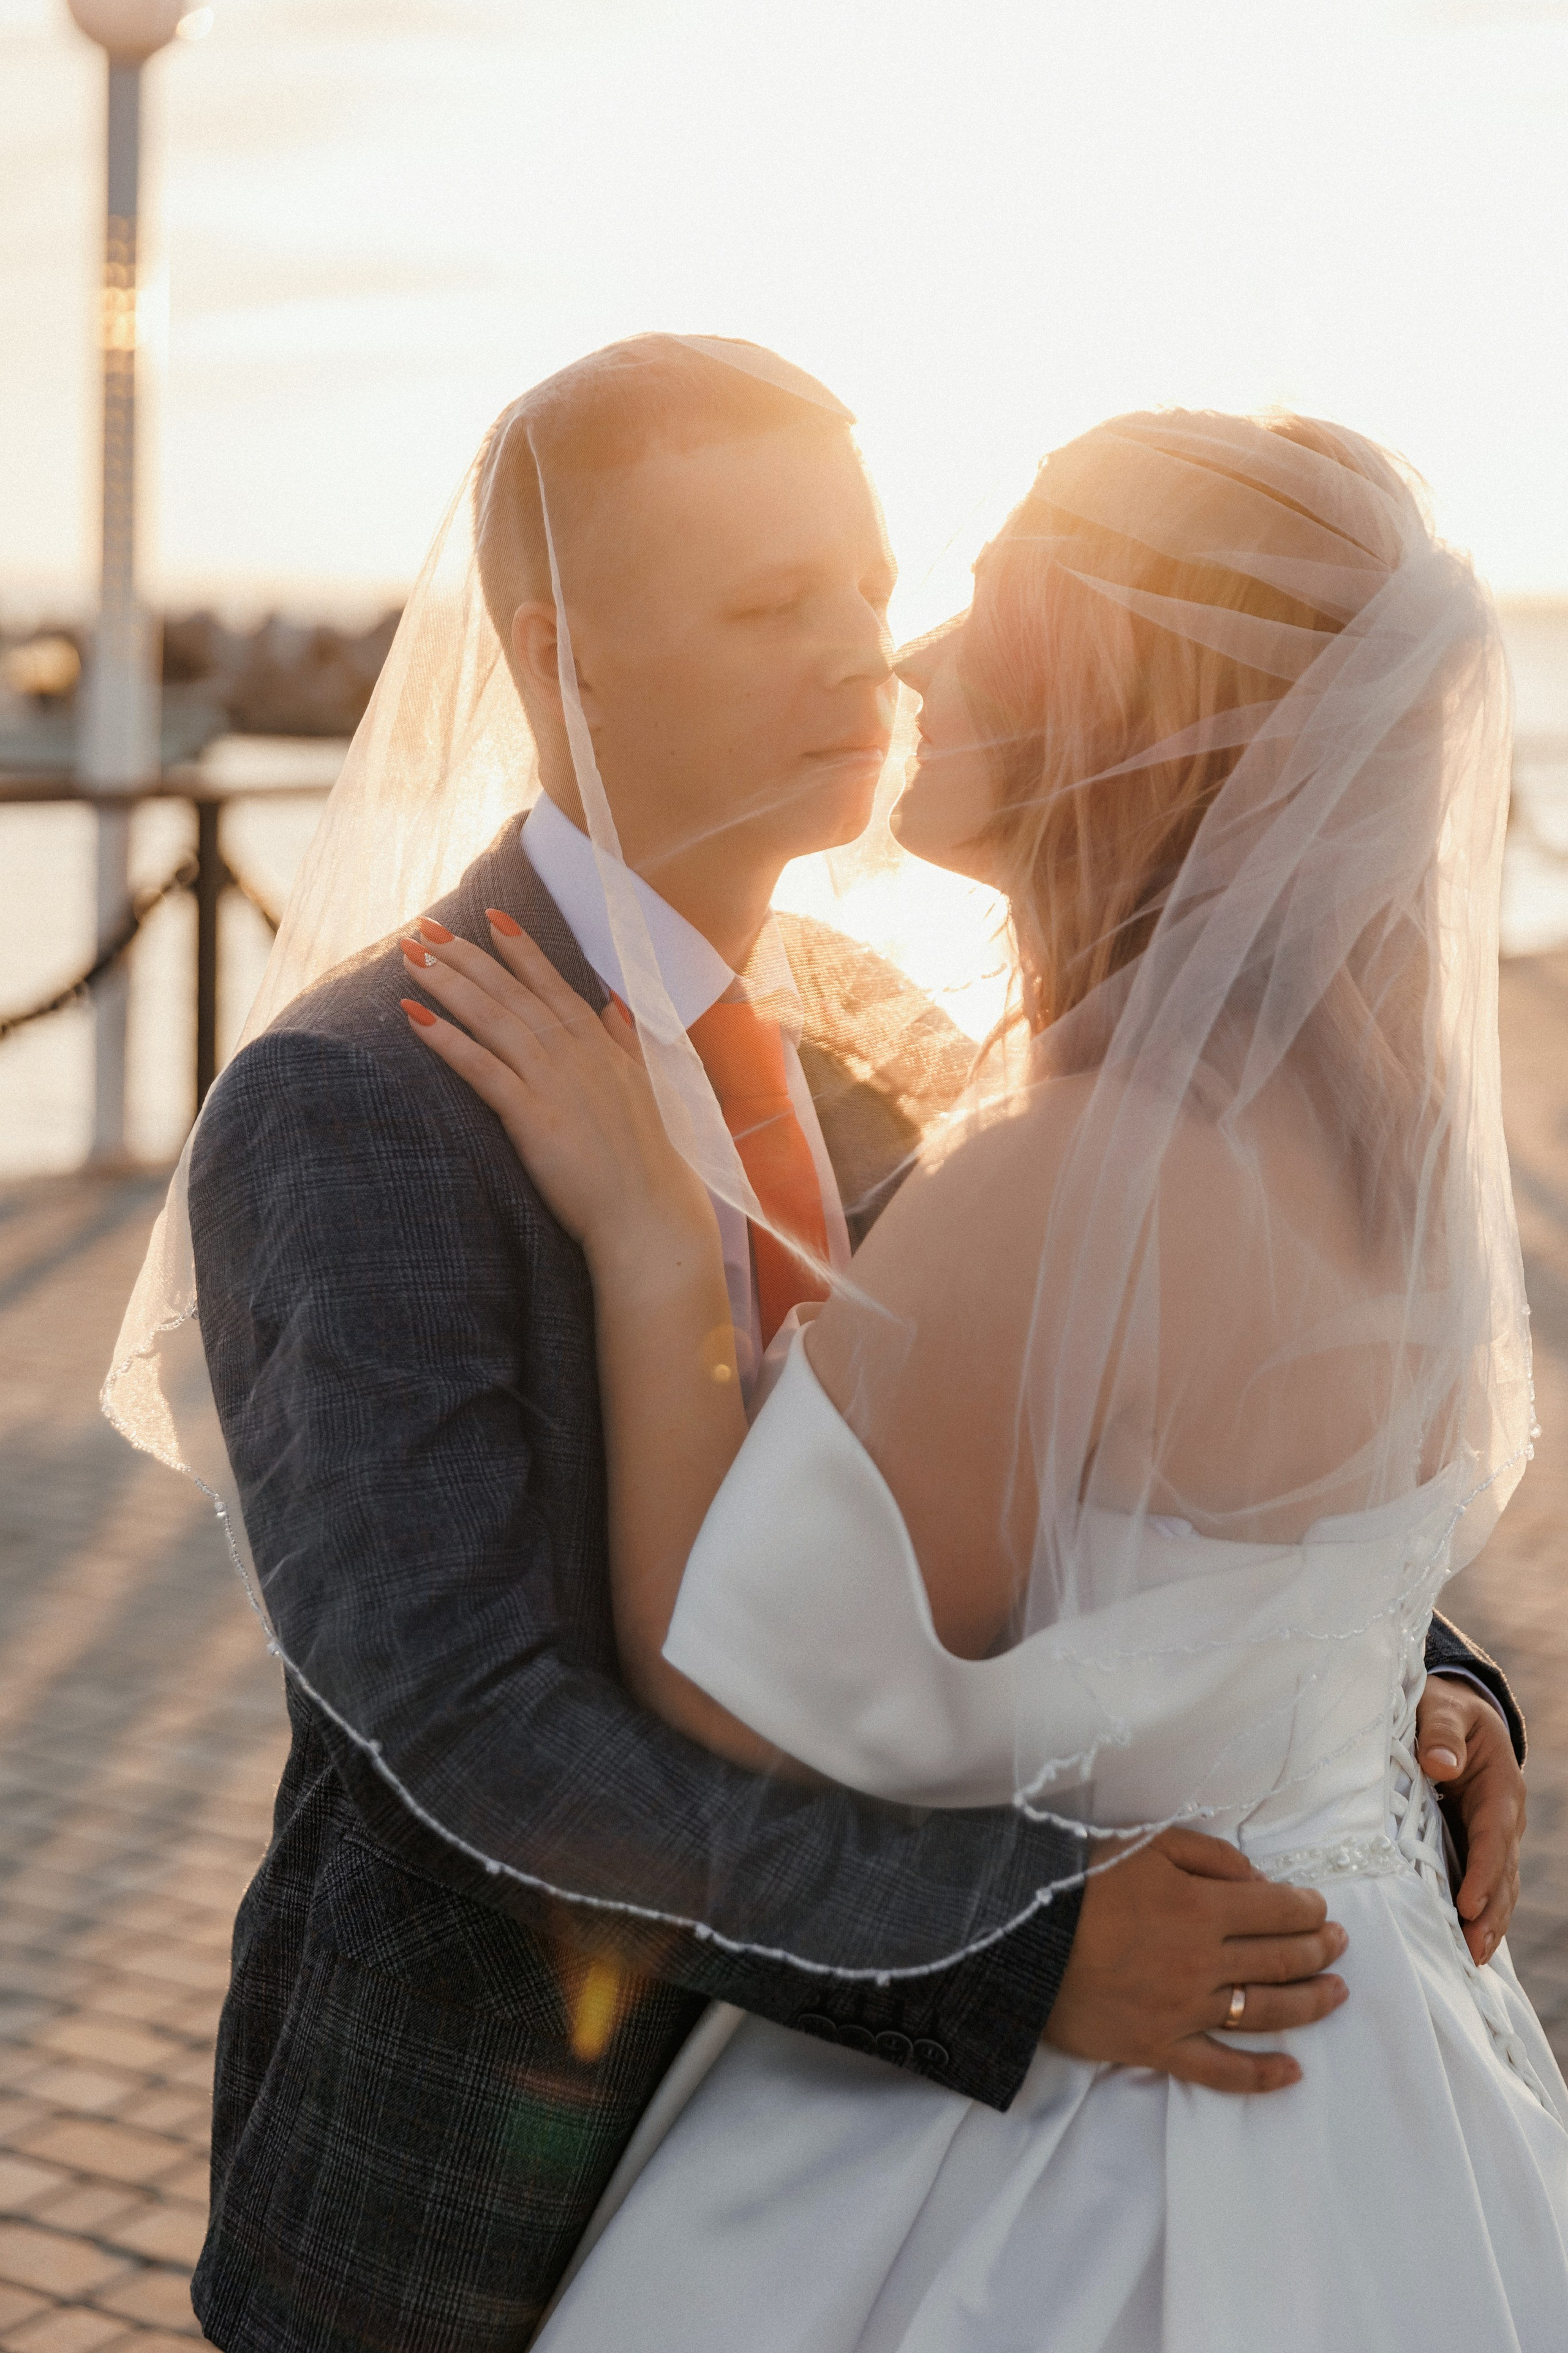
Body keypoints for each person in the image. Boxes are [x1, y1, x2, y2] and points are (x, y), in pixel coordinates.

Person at [104, 341, 1523, 2353]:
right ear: (562, 658)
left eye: (873, 584)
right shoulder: (359, 1100)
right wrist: (1012, 1958)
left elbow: (1111, 1463)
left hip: (919, 2179)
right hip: (485, 2189)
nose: (869, 657)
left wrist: (1402, 1690)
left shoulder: (891, 1036)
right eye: (773, 605)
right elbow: (471, 1734)